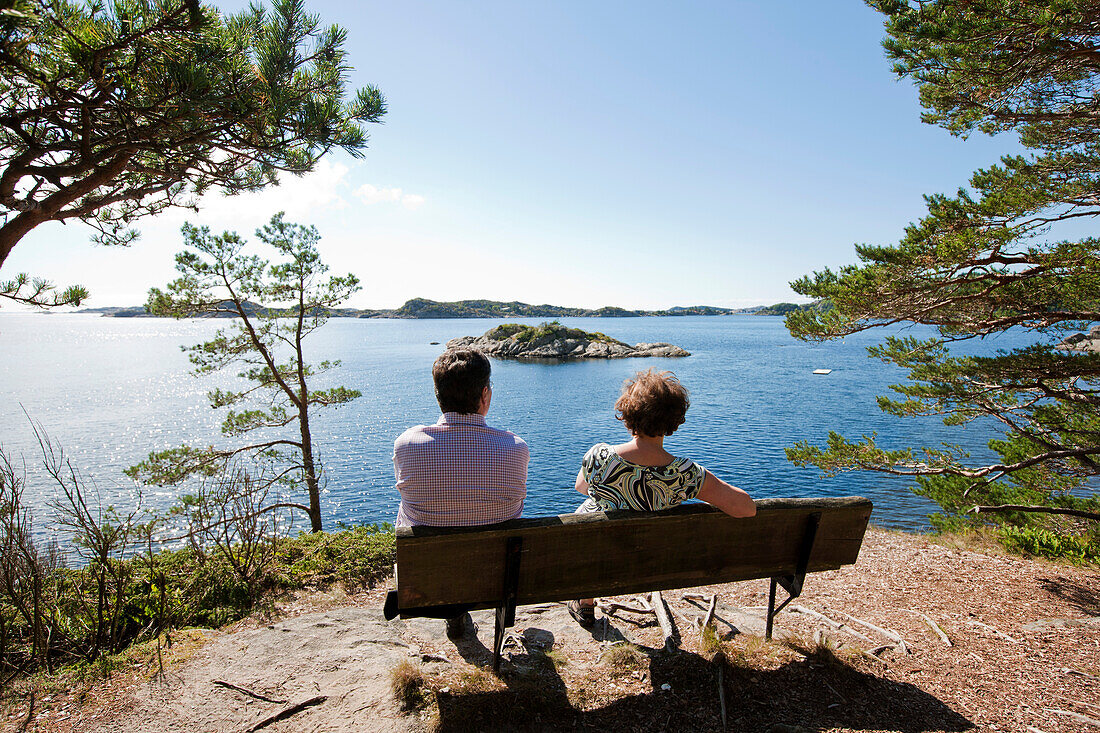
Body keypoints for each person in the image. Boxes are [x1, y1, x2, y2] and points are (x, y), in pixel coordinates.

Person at [568, 368, 755, 626]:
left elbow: (581, 486)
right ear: (674, 420)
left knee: (594, 518)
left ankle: (585, 601)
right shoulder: (685, 474)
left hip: (598, 562)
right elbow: (746, 508)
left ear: (627, 414)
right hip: (650, 567)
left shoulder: (600, 456)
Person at [393, 348, 529, 638]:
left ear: (438, 395)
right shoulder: (515, 448)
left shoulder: (407, 444)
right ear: (485, 395)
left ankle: (454, 613)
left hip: (429, 580)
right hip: (499, 580)